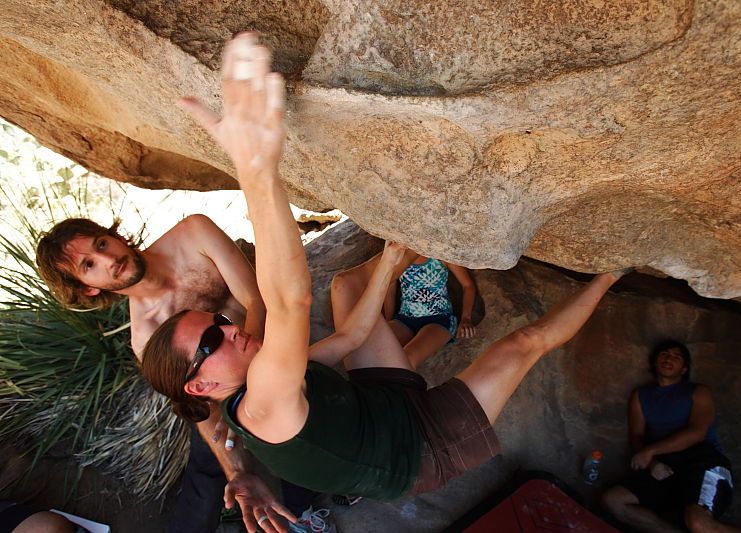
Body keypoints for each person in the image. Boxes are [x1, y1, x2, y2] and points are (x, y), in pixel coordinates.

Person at [139, 32, 629, 533]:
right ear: (200, 385)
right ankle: (615, 269)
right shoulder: (263, 401)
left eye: (219, 321)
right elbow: (288, 299)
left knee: (347, 291)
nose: (230, 328)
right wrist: (257, 168)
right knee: (524, 344)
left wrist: (390, 261)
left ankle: (396, 264)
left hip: (380, 405)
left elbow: (350, 338)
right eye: (211, 340)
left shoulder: (267, 368)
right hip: (420, 450)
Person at [35, 216, 304, 528]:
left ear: (114, 236)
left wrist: (254, 386)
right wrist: (236, 469)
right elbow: (199, 405)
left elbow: (257, 301)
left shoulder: (193, 235)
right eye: (90, 265)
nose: (109, 259)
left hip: (274, 347)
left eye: (101, 244)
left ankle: (304, 506)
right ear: (89, 289)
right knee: (210, 444)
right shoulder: (147, 337)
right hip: (229, 388)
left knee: (276, 419)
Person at [602, 341, 741, 533]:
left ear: (684, 369)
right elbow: (636, 435)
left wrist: (650, 451)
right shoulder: (641, 395)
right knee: (614, 500)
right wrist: (652, 463)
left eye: (677, 357)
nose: (669, 359)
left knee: (698, 523)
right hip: (665, 465)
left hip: (703, 461)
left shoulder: (698, 392)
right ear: (654, 362)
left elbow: (697, 432)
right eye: (664, 354)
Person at [384, 255, 476, 369]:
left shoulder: (441, 254)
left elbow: (468, 285)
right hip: (405, 319)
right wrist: (388, 323)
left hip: (440, 320)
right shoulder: (399, 256)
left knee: (408, 358)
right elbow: (390, 288)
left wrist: (466, 318)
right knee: (378, 353)